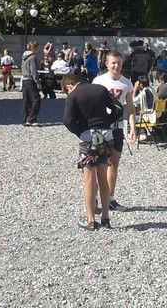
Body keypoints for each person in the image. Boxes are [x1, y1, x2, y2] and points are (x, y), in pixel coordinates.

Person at [61, 73, 120, 230]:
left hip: (88, 136)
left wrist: (80, 131)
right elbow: (119, 108)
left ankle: (91, 220)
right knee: (103, 177)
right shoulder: (101, 89)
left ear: (69, 85)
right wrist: (107, 122)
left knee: (89, 179)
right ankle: (106, 218)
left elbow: (67, 121)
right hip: (106, 135)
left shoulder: (73, 95)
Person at [93, 50, 137, 211]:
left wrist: (133, 128)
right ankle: (96, 198)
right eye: (113, 63)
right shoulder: (98, 81)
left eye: (119, 62)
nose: (116, 66)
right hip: (101, 128)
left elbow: (130, 107)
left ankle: (110, 198)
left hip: (118, 128)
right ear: (107, 64)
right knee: (98, 163)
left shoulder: (127, 83)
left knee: (113, 163)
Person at [20, 41, 42, 126]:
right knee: (37, 99)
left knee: (27, 100)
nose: (38, 50)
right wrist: (38, 82)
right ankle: (31, 118)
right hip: (30, 80)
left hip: (24, 79)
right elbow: (33, 71)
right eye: (37, 48)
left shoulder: (24, 56)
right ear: (34, 48)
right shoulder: (32, 57)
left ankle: (25, 119)